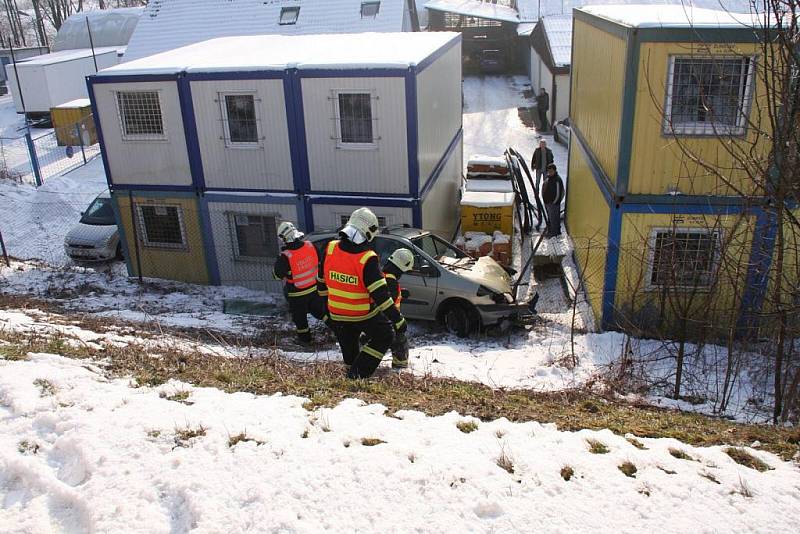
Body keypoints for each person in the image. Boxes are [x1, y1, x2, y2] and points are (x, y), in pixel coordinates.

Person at [319, 207, 407, 379]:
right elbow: (381, 296)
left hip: (336, 314)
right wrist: (398, 320)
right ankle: (357, 376)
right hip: (362, 314)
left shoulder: (330, 248)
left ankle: (351, 377)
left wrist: (326, 309)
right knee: (385, 335)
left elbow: (321, 282)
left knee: (349, 349)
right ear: (368, 231)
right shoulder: (368, 258)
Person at [272, 221, 328, 344]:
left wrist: (279, 261)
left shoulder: (285, 257)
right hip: (315, 290)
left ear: (283, 238)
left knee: (300, 319)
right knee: (322, 313)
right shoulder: (310, 245)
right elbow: (320, 261)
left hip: (297, 295)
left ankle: (305, 341)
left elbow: (277, 276)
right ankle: (339, 331)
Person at [383, 248, 414, 369]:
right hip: (388, 321)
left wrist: (401, 293)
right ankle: (399, 368)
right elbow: (387, 304)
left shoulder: (383, 276)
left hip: (376, 320)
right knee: (400, 343)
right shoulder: (391, 282)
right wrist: (397, 322)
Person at [542, 163, 565, 238]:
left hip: (554, 204)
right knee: (550, 219)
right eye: (548, 171)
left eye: (551, 171)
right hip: (548, 203)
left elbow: (560, 193)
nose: (549, 172)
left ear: (555, 171)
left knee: (554, 219)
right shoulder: (548, 178)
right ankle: (551, 232)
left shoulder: (557, 180)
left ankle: (555, 234)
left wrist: (554, 202)